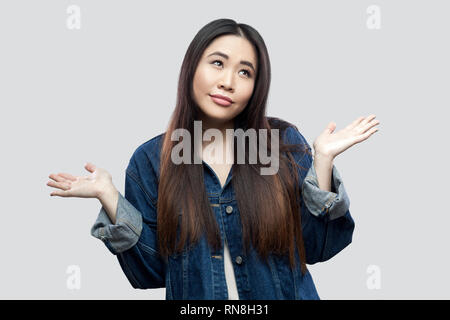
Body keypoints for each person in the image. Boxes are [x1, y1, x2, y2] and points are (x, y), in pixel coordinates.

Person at [47, 18, 380, 300]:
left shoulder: (279, 144)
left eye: (245, 72)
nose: (228, 82)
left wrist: (321, 161)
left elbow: (319, 248)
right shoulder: (151, 160)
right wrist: (110, 198)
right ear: (192, 67)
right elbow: (149, 274)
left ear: (256, 85)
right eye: (218, 63)